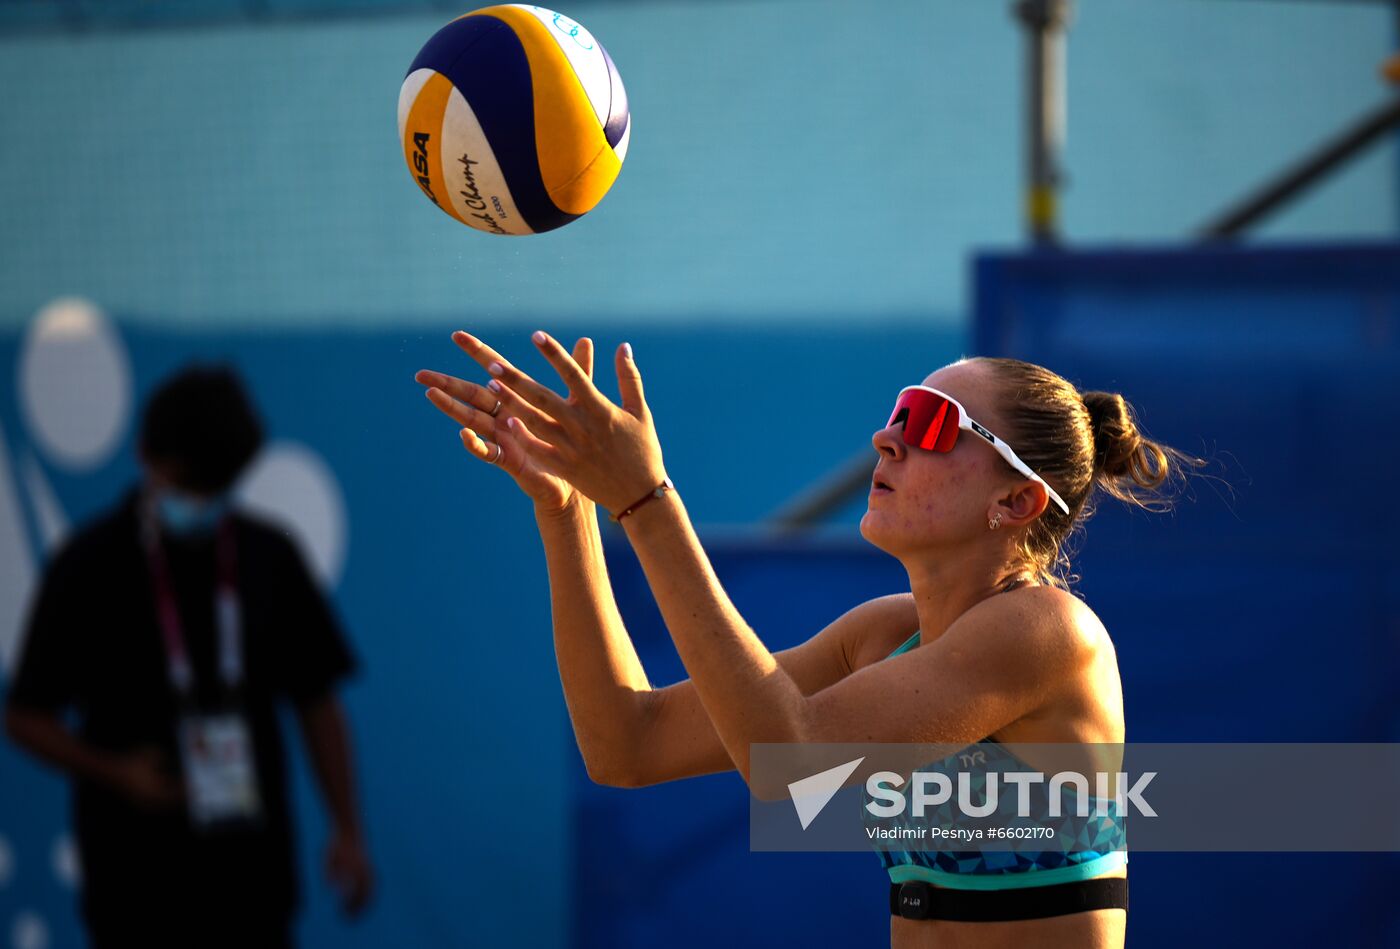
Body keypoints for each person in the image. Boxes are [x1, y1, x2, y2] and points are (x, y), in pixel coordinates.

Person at [415, 333, 1201, 948]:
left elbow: (785, 757)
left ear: (1018, 498)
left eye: (930, 424)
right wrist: (568, 511)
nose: (886, 439)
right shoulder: (884, 632)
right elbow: (627, 742)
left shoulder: (1049, 632)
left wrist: (647, 501)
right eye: (899, 412)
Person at [5, 365, 372, 949]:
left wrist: (348, 829)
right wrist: (114, 773)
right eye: (189, 482)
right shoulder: (89, 564)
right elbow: (25, 715)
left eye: (217, 485)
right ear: (145, 454)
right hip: (132, 882)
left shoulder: (268, 555)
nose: (202, 500)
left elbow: (318, 700)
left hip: (251, 880)